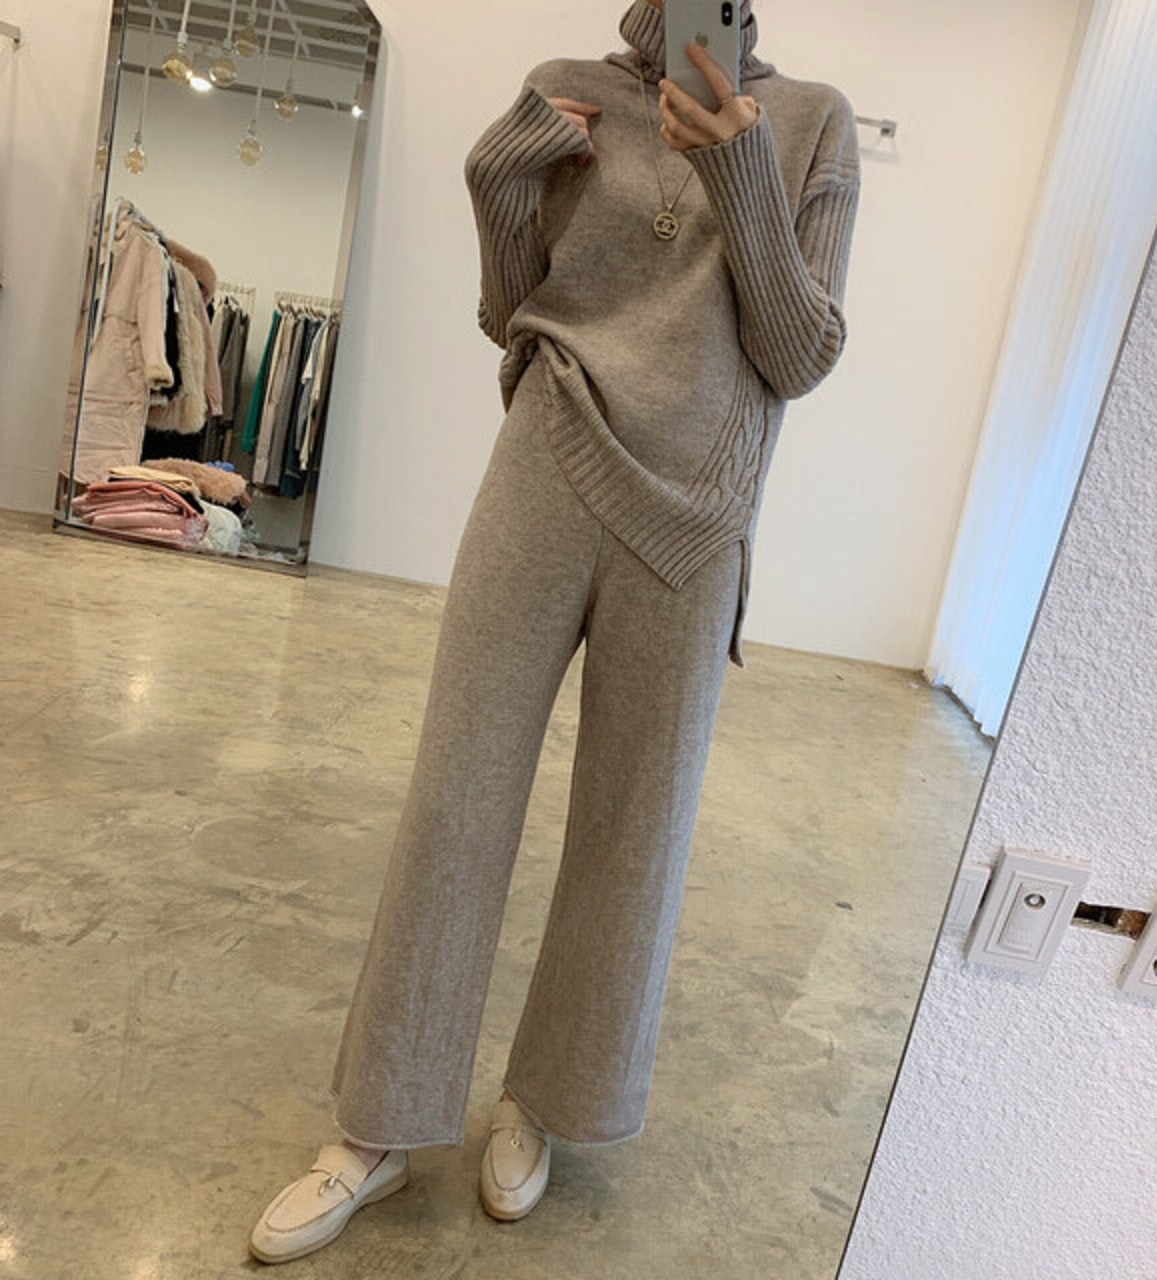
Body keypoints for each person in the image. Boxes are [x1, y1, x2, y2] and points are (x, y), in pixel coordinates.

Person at [248, 0, 860, 1263]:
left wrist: (740, 163)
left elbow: (799, 353)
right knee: (455, 794)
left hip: (696, 513)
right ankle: (377, 1122)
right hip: (549, 454)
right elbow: (509, 310)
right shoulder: (566, 85)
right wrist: (498, 183)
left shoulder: (809, 123)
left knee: (634, 826)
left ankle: (546, 1098)